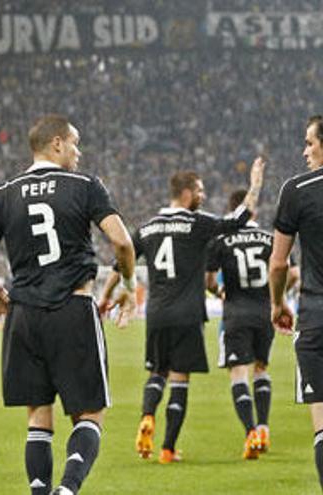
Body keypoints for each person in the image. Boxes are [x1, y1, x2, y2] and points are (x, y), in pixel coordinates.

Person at [0, 114, 137, 495]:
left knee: (38, 418)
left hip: (24, 316)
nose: (79, 152)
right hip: (72, 309)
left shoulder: (3, 194)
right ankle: (67, 490)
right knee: (89, 415)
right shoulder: (84, 185)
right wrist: (127, 284)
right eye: (75, 143)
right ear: (57, 144)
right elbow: (123, 243)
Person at [108, 161, 265, 464]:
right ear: (186, 193)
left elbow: (122, 260)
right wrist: (256, 183)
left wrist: (106, 294)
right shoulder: (198, 223)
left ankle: (147, 416)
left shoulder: (148, 227)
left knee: (157, 372)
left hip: (156, 314)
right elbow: (239, 219)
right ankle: (167, 449)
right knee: (180, 380)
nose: (203, 196)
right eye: (200, 191)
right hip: (188, 314)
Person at [206, 189, 298, 459]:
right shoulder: (270, 239)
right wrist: (276, 298)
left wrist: (221, 293)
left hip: (235, 313)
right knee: (261, 368)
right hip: (264, 313)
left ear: (232, 210)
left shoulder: (221, 240)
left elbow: (210, 282)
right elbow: (292, 273)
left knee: (238, 374)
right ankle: (264, 428)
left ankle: (250, 433)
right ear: (252, 212)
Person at [270, 114, 323, 488]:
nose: (305, 151)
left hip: (316, 315)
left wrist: (277, 304)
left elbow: (278, 263)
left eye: (309, 142)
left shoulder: (297, 189)